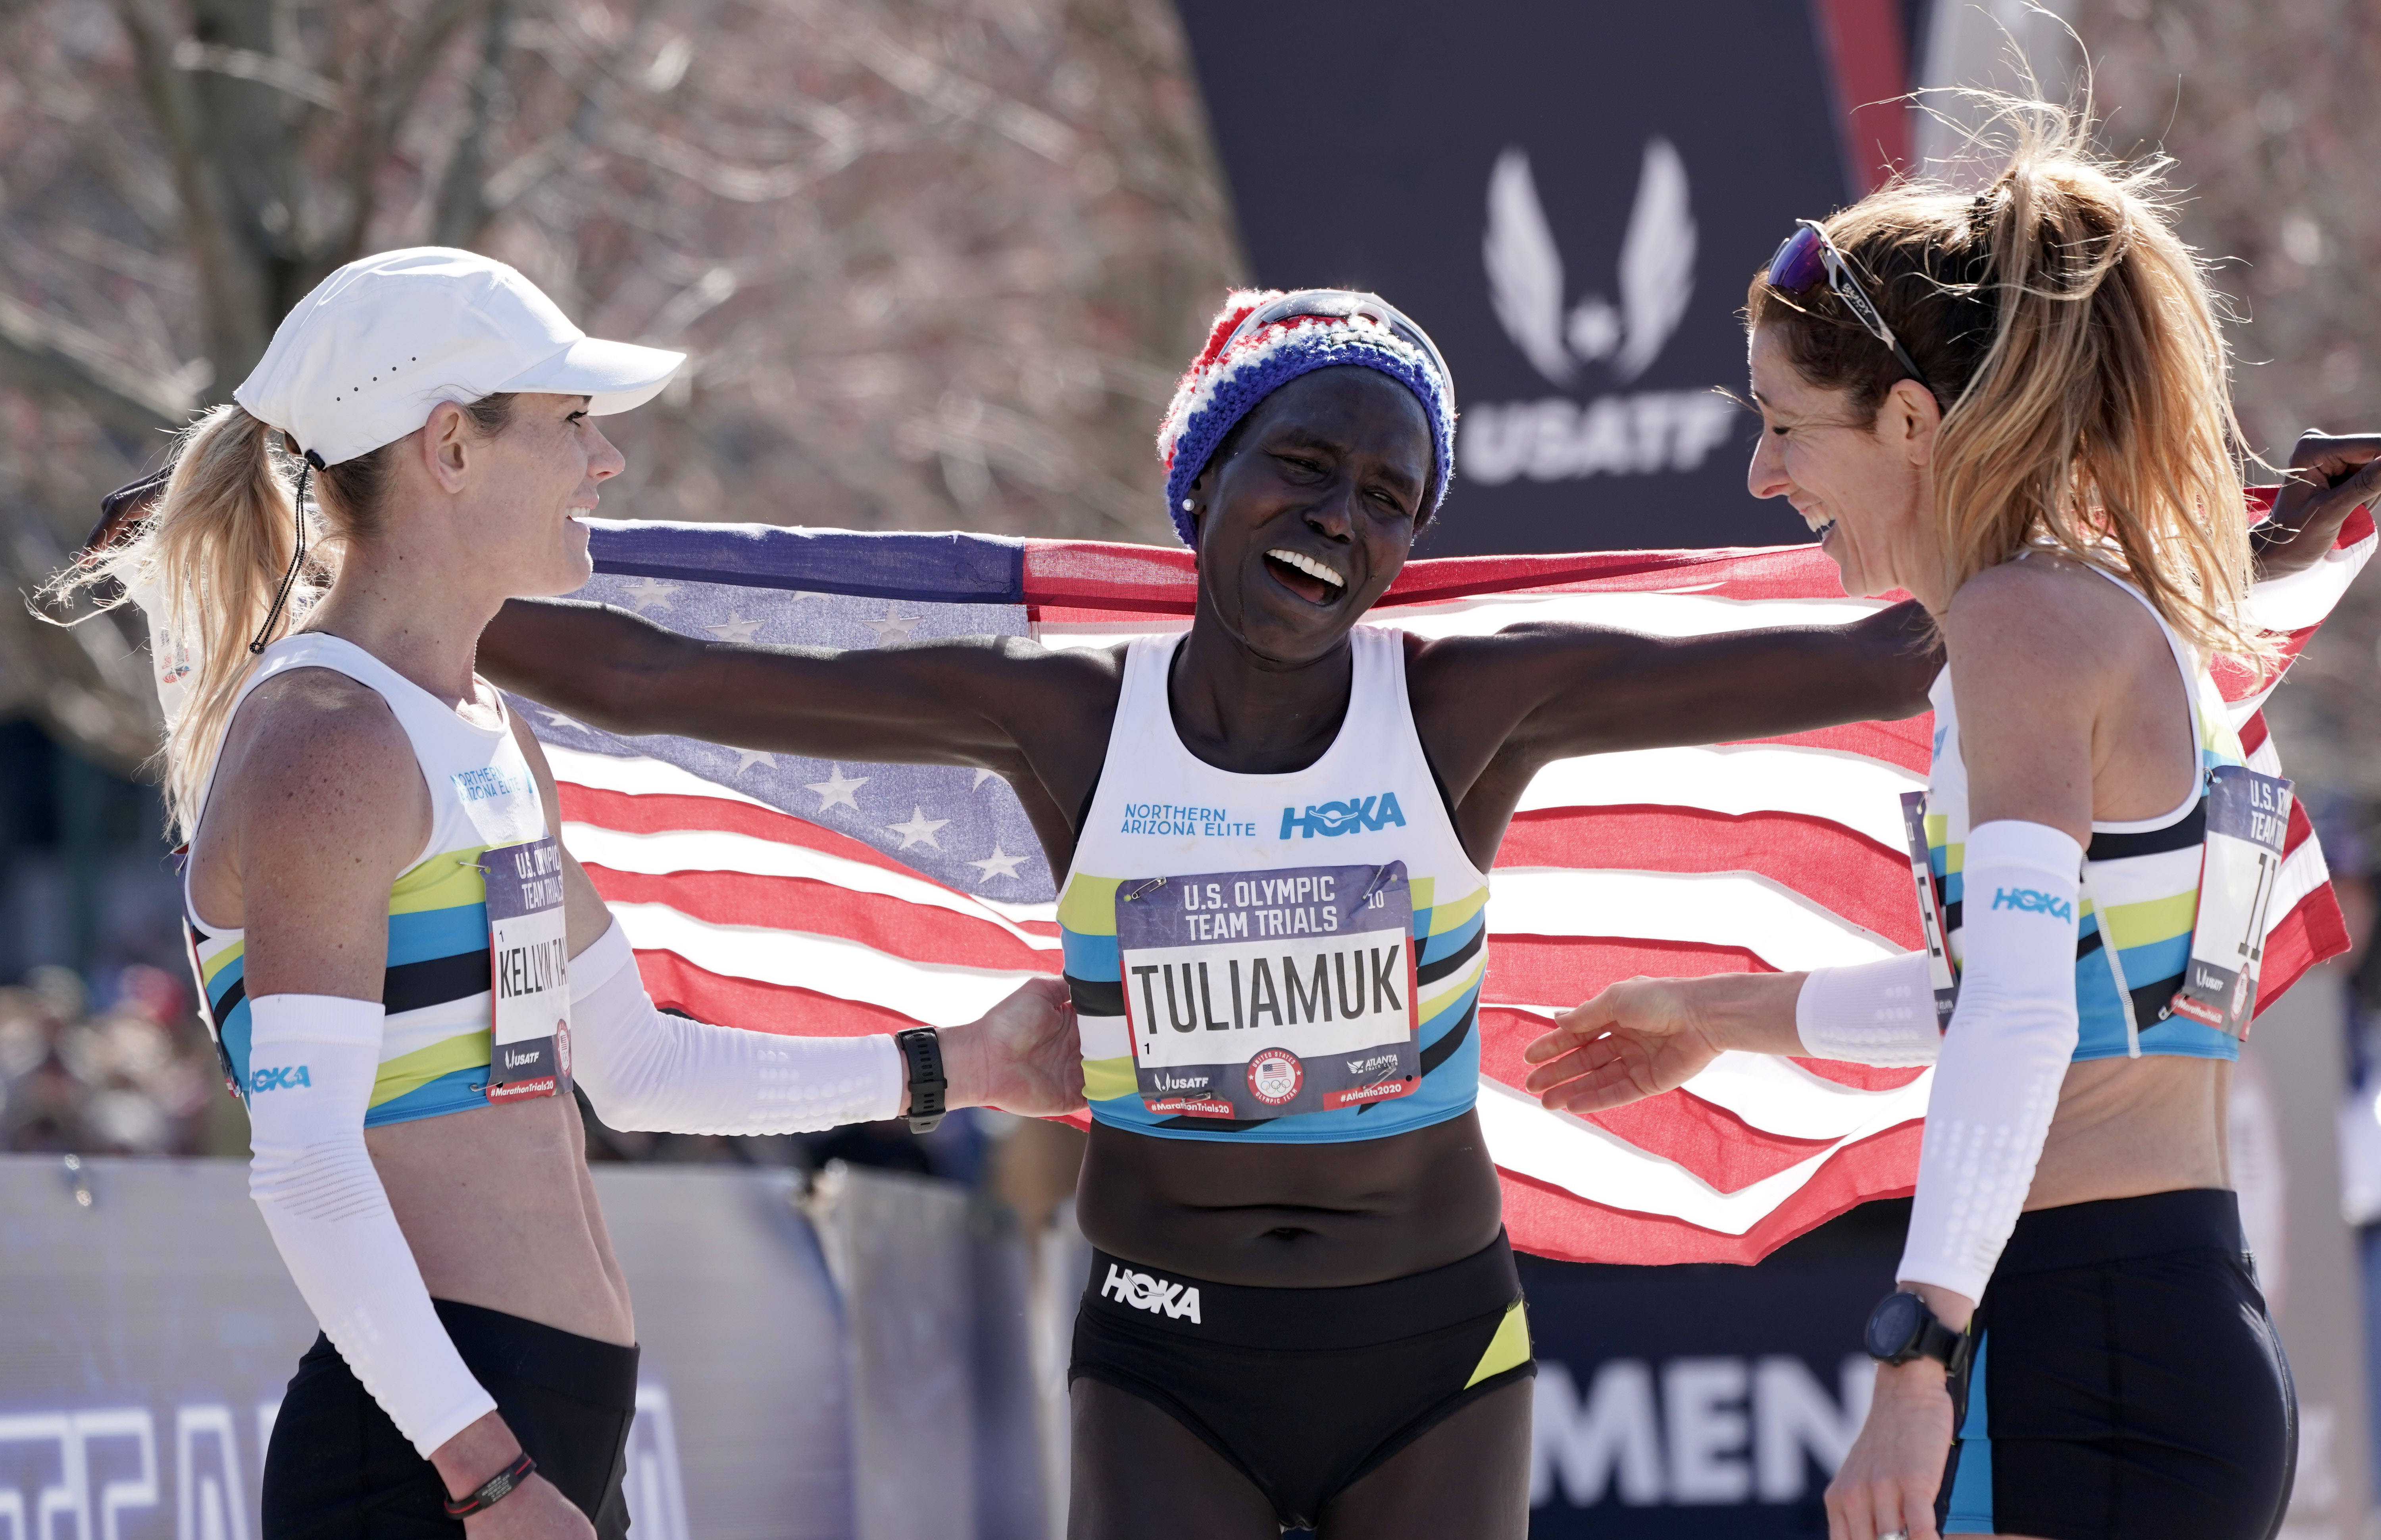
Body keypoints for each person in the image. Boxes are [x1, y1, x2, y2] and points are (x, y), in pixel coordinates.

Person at [475, 285, 1967, 1537]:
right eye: (1307, 465)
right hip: (1163, 1357)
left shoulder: (1467, 700)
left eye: (1389, 500)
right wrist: (383, 584)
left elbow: (1885, 657)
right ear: (1207, 474)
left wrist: (2079, 523)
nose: (1339, 518)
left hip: (1431, 1349)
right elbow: (655, 683)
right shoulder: (1062, 716)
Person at [47, 247, 1083, 1540]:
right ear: (450, 448)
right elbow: (305, 1166)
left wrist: (962, 1065)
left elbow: (638, 1065)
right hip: (437, 1458)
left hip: (530, 1433)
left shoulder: (477, 725)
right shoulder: (330, 740)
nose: (607, 465)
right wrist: (482, 1472)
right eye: (572, 424)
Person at [1521, 103, 2381, 1540]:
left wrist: (1916, 1352)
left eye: (1787, 427)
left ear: (1912, 420)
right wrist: (1717, 1011)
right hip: (2159, 1318)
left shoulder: (2019, 625)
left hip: (2086, 1341)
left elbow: (2027, 1017)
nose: (1762, 476)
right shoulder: (2127, 614)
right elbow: (2062, 991)